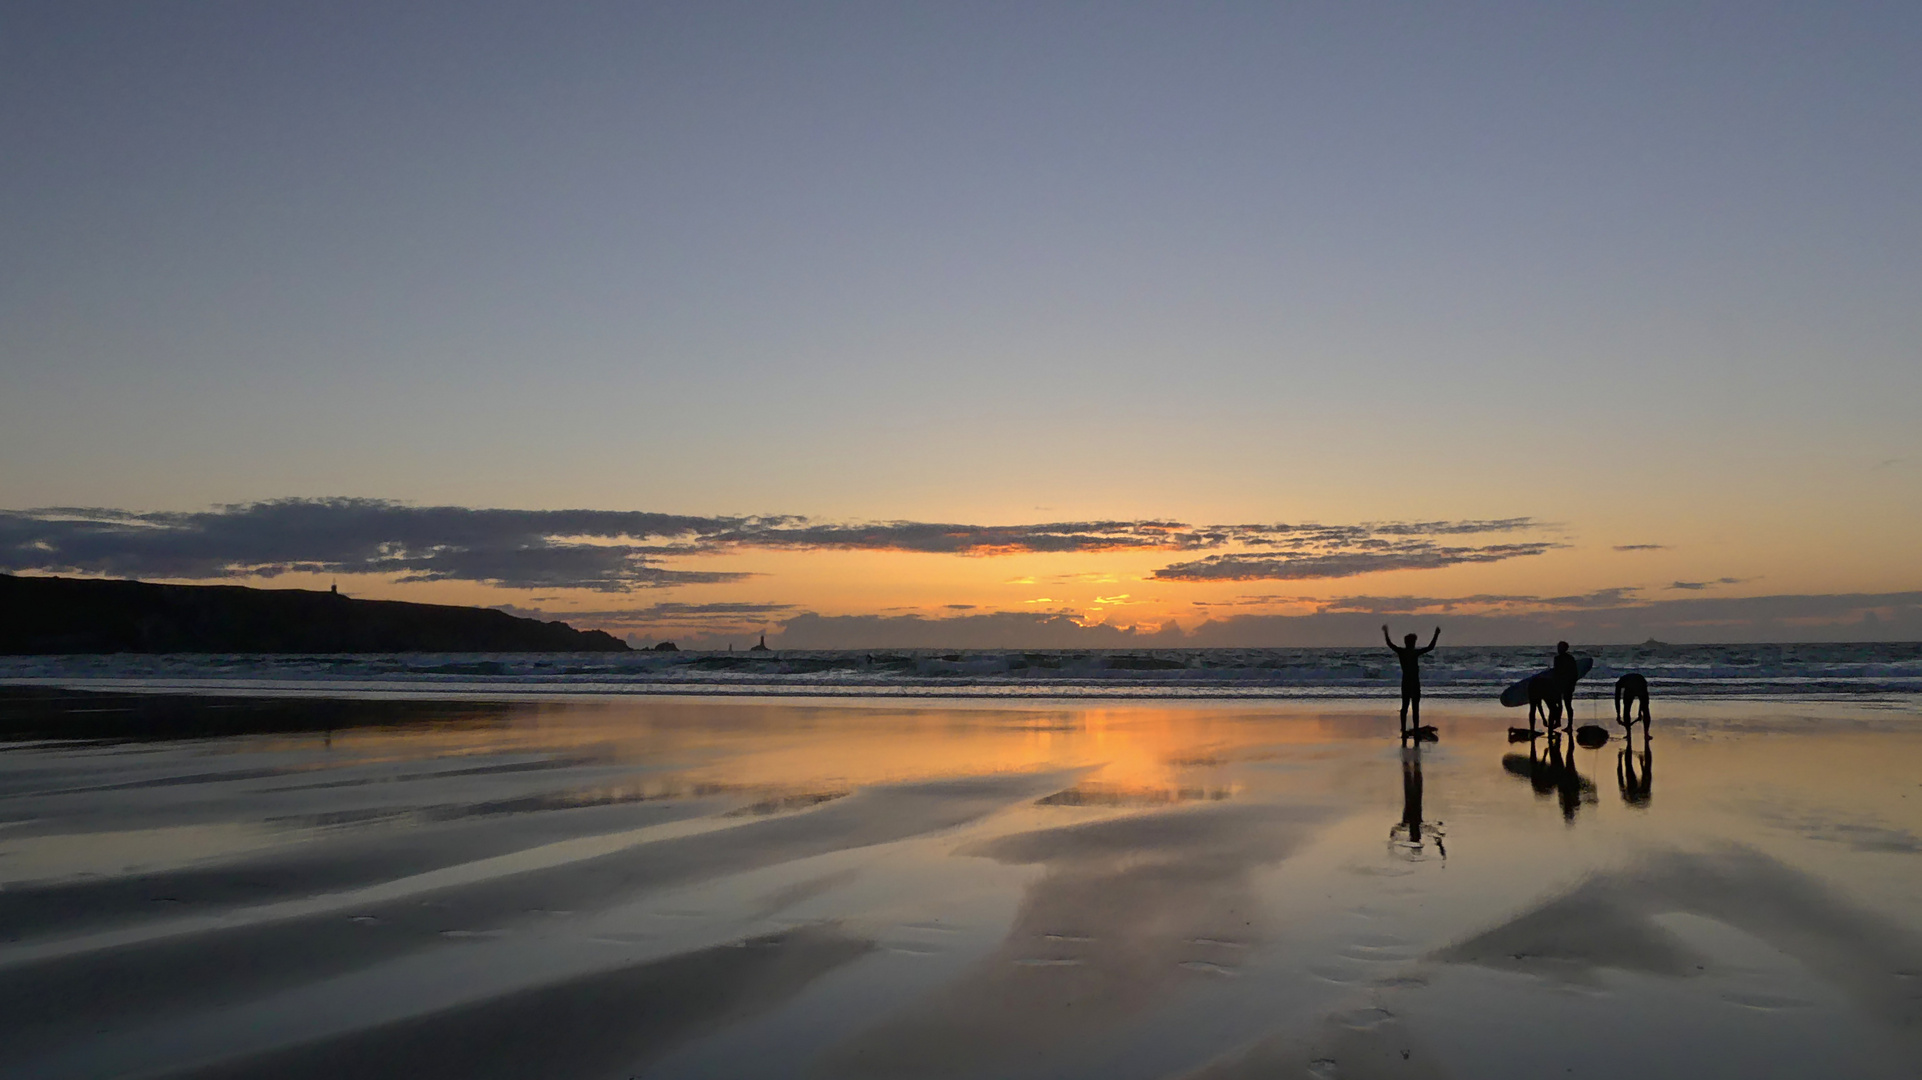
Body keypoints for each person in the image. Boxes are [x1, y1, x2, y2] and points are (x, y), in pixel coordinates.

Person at [1382, 625, 1441, 731]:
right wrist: (1436, 634)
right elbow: (1430, 647)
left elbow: (1390, 644)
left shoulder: (1402, 652)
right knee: (1415, 708)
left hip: (1406, 682)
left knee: (1405, 707)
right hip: (1414, 682)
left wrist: (1386, 632)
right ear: (1412, 643)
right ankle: (1415, 728)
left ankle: (1403, 729)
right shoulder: (1414, 652)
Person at [1551, 641, 1580, 722]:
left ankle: (1566, 724)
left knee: (1566, 705)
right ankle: (1559, 721)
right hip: (1562, 685)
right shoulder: (1568, 658)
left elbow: (1573, 673)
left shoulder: (1561, 659)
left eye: (1559, 647)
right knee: (1560, 704)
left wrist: (1572, 684)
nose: (1558, 649)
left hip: (1565, 685)